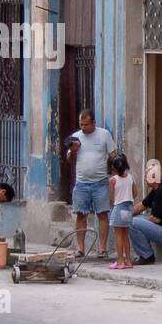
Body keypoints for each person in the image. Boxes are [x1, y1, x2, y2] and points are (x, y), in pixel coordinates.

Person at [66, 109, 117, 258]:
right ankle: (80, 248)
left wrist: (115, 173)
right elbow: (69, 160)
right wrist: (73, 150)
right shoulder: (75, 137)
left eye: (86, 124)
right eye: (81, 124)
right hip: (82, 182)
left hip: (100, 181)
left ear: (93, 123)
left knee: (102, 214)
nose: (83, 127)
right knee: (81, 215)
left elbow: (112, 155)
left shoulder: (104, 134)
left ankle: (102, 248)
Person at [130, 159, 162, 266]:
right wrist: (125, 215)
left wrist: (138, 221)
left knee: (133, 223)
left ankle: (146, 255)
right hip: (161, 227)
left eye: (147, 176)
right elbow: (142, 205)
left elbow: (156, 219)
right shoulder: (157, 189)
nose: (144, 179)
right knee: (133, 219)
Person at [107, 153, 136, 270]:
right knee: (125, 235)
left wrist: (114, 202)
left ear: (113, 167)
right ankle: (128, 260)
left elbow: (111, 197)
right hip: (129, 207)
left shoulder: (112, 180)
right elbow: (135, 193)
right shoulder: (130, 178)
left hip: (118, 206)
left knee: (118, 235)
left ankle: (120, 261)